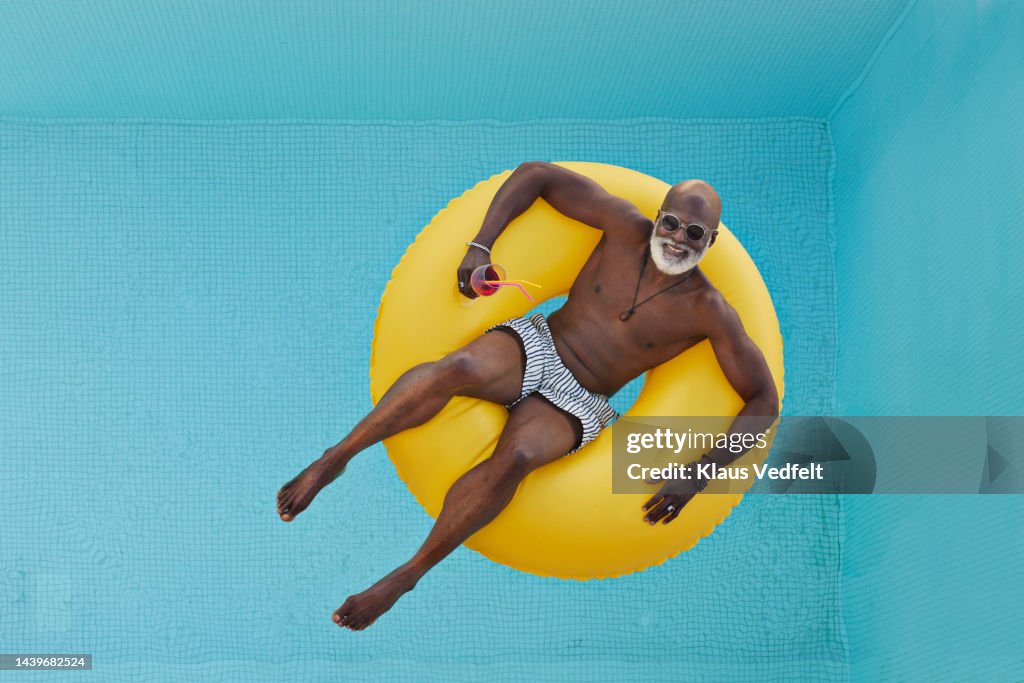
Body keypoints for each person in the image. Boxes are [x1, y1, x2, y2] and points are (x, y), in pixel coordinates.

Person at [276, 161, 779, 630]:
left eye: (694, 234)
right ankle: (335, 458)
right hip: (539, 344)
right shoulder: (624, 226)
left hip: (582, 398)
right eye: (670, 224)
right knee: (459, 366)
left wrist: (700, 472)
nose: (677, 240)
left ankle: (406, 575)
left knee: (517, 455)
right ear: (658, 218)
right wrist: (482, 245)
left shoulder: (710, 310)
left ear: (710, 241)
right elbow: (536, 175)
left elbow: (763, 400)